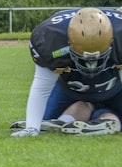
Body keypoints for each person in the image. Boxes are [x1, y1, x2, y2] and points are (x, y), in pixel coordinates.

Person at [10, 7, 122, 136]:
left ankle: (70, 120)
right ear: (69, 42)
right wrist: (32, 128)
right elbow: (42, 85)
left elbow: (42, 88)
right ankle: (102, 120)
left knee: (44, 119)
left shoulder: (120, 38)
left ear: (112, 41)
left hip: (113, 86)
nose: (91, 65)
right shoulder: (52, 39)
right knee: (45, 117)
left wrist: (32, 127)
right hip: (70, 87)